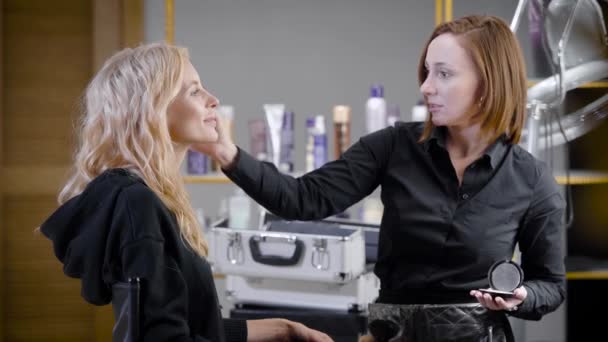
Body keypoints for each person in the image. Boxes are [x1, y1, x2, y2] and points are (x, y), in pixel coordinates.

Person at [197, 15, 566, 342]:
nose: (426, 86)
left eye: (444, 73)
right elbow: (302, 198)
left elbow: (549, 285)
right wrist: (227, 154)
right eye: (427, 72)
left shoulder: (532, 180)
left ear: (488, 84)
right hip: (391, 333)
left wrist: (522, 297)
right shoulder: (393, 146)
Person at [40, 43, 333, 342]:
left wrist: (283, 329)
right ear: (153, 108)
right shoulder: (136, 202)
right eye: (194, 92)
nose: (214, 100)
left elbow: (190, 327)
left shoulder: (147, 196)